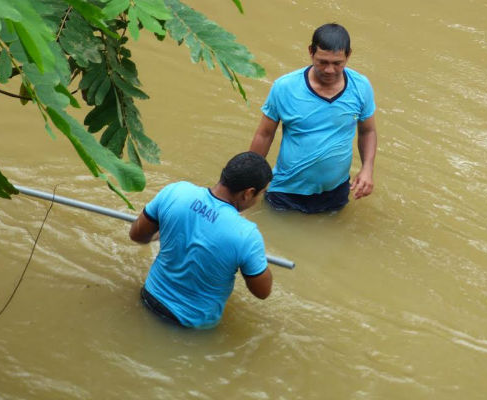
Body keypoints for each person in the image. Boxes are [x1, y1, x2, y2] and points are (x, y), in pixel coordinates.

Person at [129, 152, 274, 329]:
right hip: (190, 326)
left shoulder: (175, 191)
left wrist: (160, 233)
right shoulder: (247, 235)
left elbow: (137, 235)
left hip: (148, 298)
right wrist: (257, 259)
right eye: (262, 193)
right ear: (249, 193)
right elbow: (262, 292)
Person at [249, 23, 378, 213]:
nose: (329, 70)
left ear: (348, 55)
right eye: (322, 62)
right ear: (311, 52)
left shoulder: (361, 87)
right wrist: (250, 180)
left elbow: (368, 131)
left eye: (337, 63)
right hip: (286, 192)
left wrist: (367, 168)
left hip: (336, 192)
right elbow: (264, 134)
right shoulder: (285, 87)